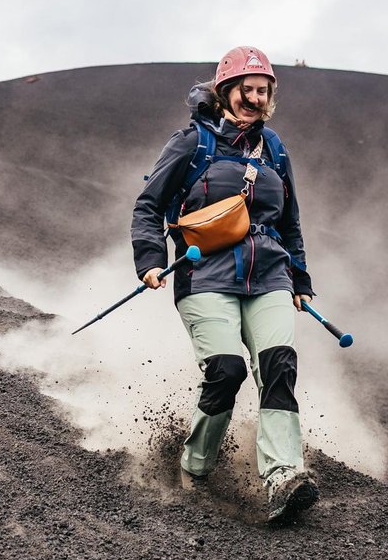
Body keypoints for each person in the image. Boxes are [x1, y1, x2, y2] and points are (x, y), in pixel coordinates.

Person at [131, 46, 319, 524]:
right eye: (247, 89)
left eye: (263, 91)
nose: (255, 99)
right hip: (204, 275)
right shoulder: (193, 143)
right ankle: (195, 469)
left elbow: (290, 221)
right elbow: (149, 206)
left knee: (279, 366)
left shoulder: (274, 148)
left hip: (270, 275)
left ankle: (283, 476)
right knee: (227, 371)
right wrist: (150, 260)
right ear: (226, 91)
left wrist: (300, 278)